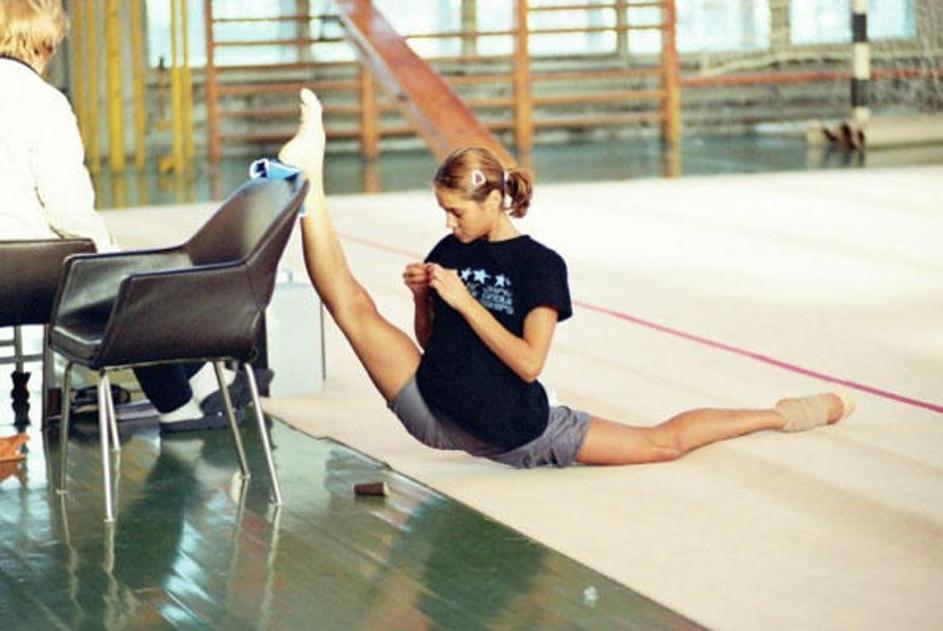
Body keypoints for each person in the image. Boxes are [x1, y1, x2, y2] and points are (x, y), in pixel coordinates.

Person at [278, 88, 854, 468]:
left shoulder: (540, 265)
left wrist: (466, 301)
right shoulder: (451, 248)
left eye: (457, 211)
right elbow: (433, 343)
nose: (449, 223)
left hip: (519, 432)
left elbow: (530, 364)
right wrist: (423, 301)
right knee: (350, 305)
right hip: (434, 410)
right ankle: (312, 178)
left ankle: (781, 414)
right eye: (444, 212)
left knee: (662, 444)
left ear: (494, 201)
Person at [0, 0, 251, 432]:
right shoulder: (44, 103)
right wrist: (109, 250)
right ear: (42, 44)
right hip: (27, 277)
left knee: (117, 278)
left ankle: (202, 388)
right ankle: (191, 396)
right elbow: (67, 208)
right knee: (129, 281)